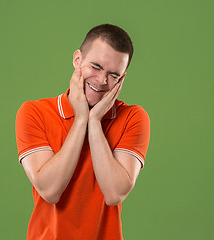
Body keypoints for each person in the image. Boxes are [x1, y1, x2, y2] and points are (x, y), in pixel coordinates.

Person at [15, 23, 150, 240]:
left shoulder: (133, 118)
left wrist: (94, 122)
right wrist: (81, 120)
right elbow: (50, 191)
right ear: (77, 60)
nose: (102, 81)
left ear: (122, 79)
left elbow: (114, 193)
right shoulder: (34, 113)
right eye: (95, 67)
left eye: (113, 74)